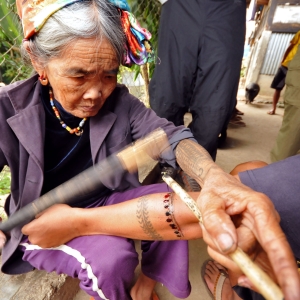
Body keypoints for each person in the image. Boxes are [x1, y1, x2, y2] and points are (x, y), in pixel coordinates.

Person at [0, 0, 299, 299]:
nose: (95, 93)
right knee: (111, 260)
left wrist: (212, 176)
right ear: (39, 63)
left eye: (108, 75)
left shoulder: (121, 103)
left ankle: (148, 279)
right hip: (42, 219)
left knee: (180, 204)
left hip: (106, 200)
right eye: (78, 76)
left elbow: (172, 136)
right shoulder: (7, 109)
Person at [149, 0, 246, 161]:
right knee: (165, 102)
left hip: (228, 10)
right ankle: (165, 169)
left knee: (214, 111)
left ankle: (195, 173)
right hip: (179, 7)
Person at [270, 42, 300, 162]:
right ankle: (276, 175)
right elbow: (290, 46)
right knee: (293, 131)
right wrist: (283, 62)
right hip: (287, 67)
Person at [268, 30, 300, 115]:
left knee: (293, 92)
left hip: (297, 70)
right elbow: (291, 46)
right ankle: (273, 109)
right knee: (278, 88)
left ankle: (288, 113)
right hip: (285, 65)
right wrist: (282, 60)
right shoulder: (299, 33)